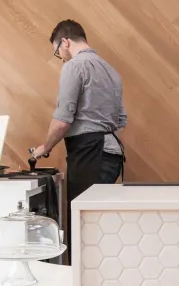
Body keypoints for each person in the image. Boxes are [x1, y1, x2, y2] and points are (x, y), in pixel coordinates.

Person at [32, 19, 127, 207]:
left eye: (58, 52)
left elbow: (62, 121)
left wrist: (45, 147)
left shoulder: (74, 66)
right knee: (95, 219)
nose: (62, 58)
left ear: (65, 42)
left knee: (80, 220)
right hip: (113, 155)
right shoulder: (112, 71)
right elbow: (121, 120)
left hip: (89, 155)